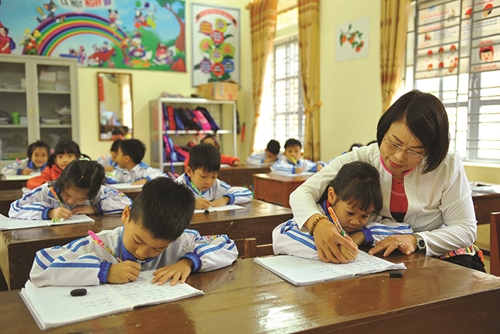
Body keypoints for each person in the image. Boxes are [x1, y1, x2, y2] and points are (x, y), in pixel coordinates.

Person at [289, 90, 484, 272]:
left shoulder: (446, 165)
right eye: (393, 143)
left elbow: (465, 230)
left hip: (438, 262)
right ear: (383, 130)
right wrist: (319, 224)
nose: (399, 157)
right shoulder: (363, 157)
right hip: (381, 260)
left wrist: (415, 240)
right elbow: (302, 193)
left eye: (415, 151)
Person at [29, 177, 238, 287]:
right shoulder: (100, 245)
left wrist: (188, 262)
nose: (143, 252)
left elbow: (227, 244)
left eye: (158, 248)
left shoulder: (180, 242)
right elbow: (41, 265)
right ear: (126, 214)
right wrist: (105, 272)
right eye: (138, 239)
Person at [273, 161, 412, 259]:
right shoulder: (316, 213)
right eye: (350, 213)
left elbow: (407, 230)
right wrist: (335, 244)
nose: (356, 221)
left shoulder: (370, 219)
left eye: (364, 216)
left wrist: (364, 234)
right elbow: (280, 236)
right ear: (332, 195)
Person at [10, 160, 132, 220]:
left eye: (80, 198)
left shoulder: (99, 191)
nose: (71, 201)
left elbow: (130, 204)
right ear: (62, 181)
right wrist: (49, 212)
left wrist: (96, 208)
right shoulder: (46, 191)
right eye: (67, 194)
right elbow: (15, 208)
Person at [176, 144, 252, 210]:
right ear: (189, 171)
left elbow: (247, 193)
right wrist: (191, 203)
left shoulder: (217, 186)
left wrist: (226, 199)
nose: (209, 182)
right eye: (203, 176)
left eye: (213, 177)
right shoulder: (177, 185)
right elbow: (165, 200)